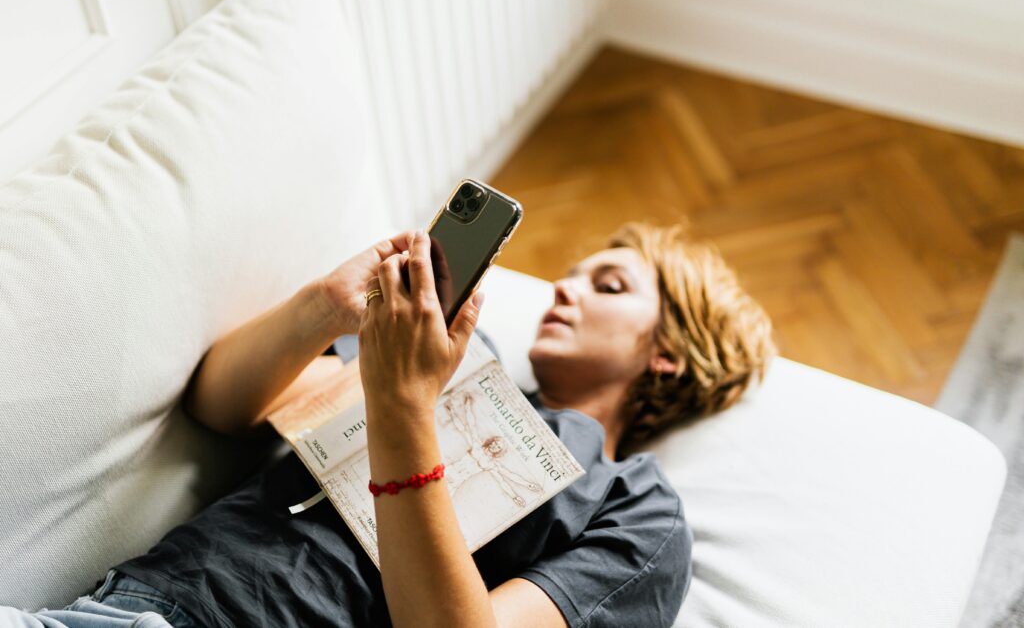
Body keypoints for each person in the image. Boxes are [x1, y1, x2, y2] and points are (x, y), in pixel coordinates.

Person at [1, 222, 775, 628]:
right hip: (123, 602)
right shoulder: (452, 353)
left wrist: (405, 407)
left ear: (670, 354)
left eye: (607, 285)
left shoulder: (636, 509)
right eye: (569, 274)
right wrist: (326, 310)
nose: (564, 291)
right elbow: (220, 404)